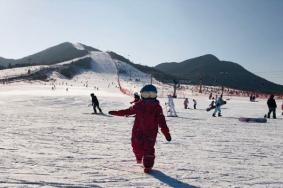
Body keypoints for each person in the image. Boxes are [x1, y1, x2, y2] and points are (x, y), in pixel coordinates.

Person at [108, 84, 171, 173]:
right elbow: (128, 111)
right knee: (136, 145)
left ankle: (148, 166)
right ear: (142, 95)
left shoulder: (157, 108)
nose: (149, 98)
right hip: (138, 131)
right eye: (146, 95)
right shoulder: (138, 105)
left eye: (152, 95)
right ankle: (139, 156)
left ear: (155, 95)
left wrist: (166, 133)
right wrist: (116, 113)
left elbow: (162, 121)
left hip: (151, 132)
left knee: (149, 149)